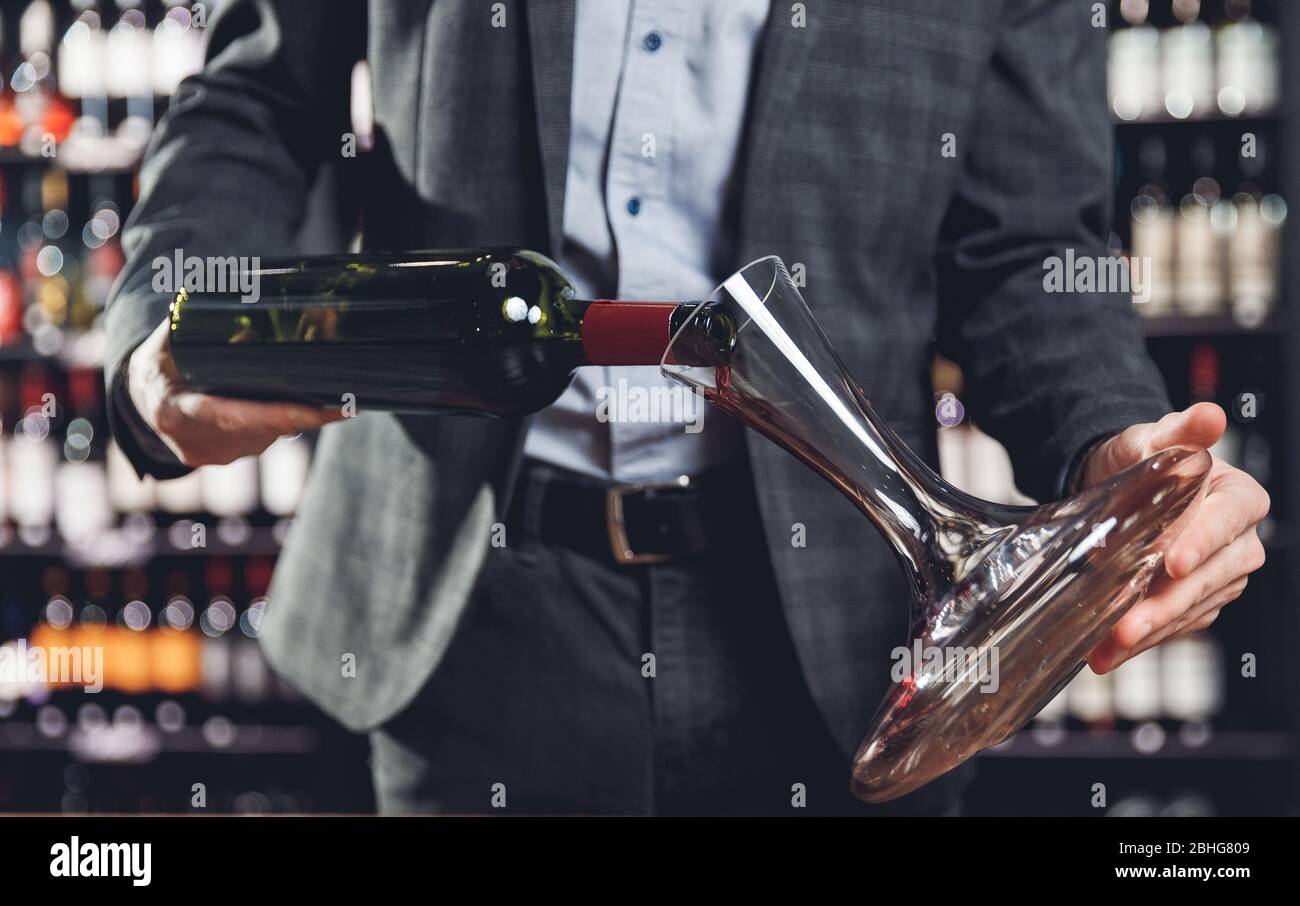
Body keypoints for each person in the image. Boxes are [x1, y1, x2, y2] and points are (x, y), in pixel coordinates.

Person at [105, 0, 1269, 815]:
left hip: (863, 643)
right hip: (475, 608)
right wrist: (169, 333)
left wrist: (1114, 442)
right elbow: (255, 102)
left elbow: (1021, 248)